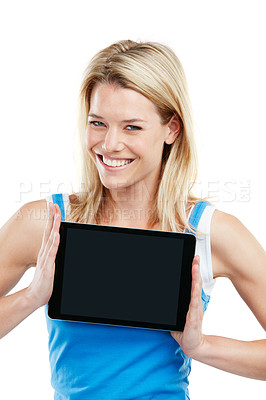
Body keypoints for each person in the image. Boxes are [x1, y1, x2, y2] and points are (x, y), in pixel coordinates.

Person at [0, 39, 265, 399]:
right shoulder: (45, 223)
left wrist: (201, 346)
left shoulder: (209, 231)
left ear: (172, 129)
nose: (109, 144)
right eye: (98, 123)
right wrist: (30, 297)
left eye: (132, 127)